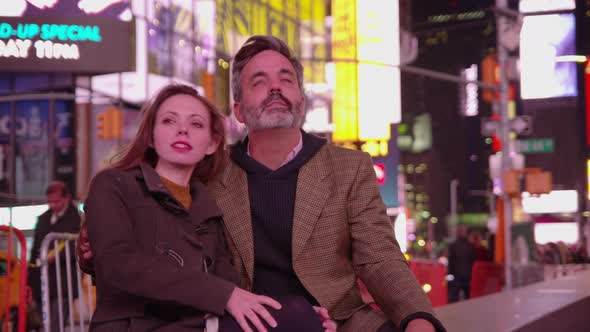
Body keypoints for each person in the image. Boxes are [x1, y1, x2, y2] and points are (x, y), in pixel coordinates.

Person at [79, 36, 445, 331]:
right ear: (238, 109)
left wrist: (418, 318)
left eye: (286, 79)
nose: (275, 89)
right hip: (246, 319)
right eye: (259, 81)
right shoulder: (209, 173)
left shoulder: (348, 168)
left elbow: (380, 257)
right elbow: (160, 234)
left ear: (301, 99)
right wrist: (93, 244)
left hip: (340, 319)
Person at [82, 83, 331, 332]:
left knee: (300, 314)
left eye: (196, 124)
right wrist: (227, 297)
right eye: (169, 121)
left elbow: (232, 289)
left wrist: (289, 313)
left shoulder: (207, 208)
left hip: (196, 324)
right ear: (150, 136)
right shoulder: (113, 185)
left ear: (212, 144)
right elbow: (118, 267)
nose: (182, 130)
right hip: (134, 326)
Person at [29, 180, 81, 332]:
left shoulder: (78, 219)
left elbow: (78, 247)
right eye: (49, 202)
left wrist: (56, 257)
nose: (52, 206)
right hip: (40, 284)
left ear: (67, 198)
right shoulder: (43, 219)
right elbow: (34, 252)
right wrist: (29, 281)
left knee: (55, 326)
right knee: (41, 326)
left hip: (63, 284)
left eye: (56, 201)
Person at [447, 225, 475, 303]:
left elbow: (451, 261)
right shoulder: (469, 246)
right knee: (467, 296)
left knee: (455, 297)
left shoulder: (454, 245)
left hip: (459, 275)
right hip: (465, 275)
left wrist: (450, 273)